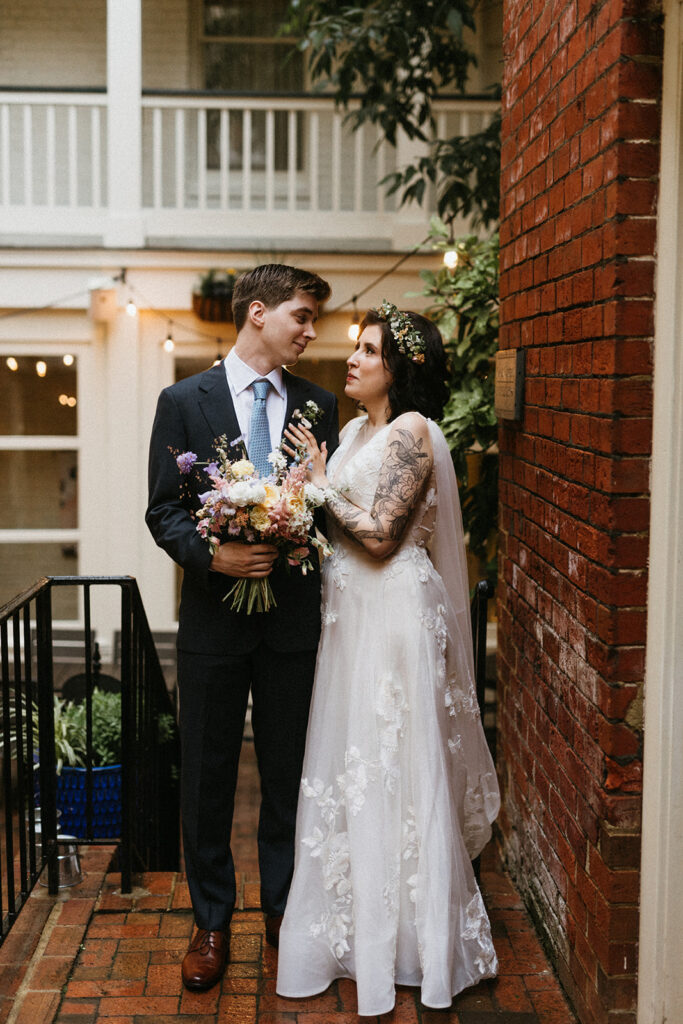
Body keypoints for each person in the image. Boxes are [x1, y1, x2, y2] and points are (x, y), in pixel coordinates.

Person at [276, 303, 500, 1016]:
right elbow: (339, 514)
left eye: (368, 351)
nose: (353, 359)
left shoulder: (412, 432)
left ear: (397, 369)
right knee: (354, 763)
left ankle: (414, 942)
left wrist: (317, 487)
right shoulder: (351, 431)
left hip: (395, 617)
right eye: (356, 348)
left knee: (396, 762)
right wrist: (303, 485)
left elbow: (378, 538)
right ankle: (358, 929)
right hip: (351, 620)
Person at [145, 264, 339, 991]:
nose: (310, 331)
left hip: (292, 626)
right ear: (257, 313)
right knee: (206, 779)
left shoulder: (319, 405)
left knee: (290, 777)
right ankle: (211, 922)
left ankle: (286, 913)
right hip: (212, 628)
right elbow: (163, 509)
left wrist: (301, 510)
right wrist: (215, 555)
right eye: (301, 315)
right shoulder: (182, 401)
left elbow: (325, 503)